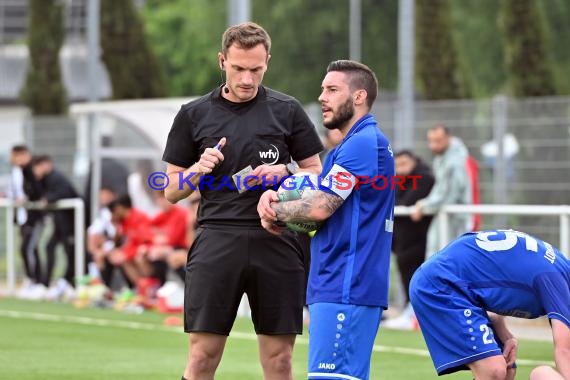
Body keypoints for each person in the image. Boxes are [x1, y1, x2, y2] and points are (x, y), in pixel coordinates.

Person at [161, 22, 323, 380]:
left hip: (279, 237)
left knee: (280, 359)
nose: (248, 79)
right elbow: (171, 190)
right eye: (238, 68)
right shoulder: (193, 113)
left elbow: (315, 172)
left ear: (267, 62)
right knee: (203, 356)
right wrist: (198, 170)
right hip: (217, 237)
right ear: (222, 61)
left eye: (256, 69)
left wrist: (285, 171)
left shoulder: (287, 109)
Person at [258, 60, 395, 380]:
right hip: (338, 282)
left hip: (347, 284)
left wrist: (272, 211)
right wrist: (289, 179)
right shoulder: (352, 146)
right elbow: (322, 203)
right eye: (322, 89)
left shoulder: (362, 143)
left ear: (359, 96)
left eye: (332, 90)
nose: (322, 97)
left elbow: (320, 208)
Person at [409, 229, 570, 379]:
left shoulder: (559, 267)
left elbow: (494, 275)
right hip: (440, 284)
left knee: (507, 369)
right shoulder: (557, 282)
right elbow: (564, 350)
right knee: (493, 370)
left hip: (456, 283)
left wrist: (504, 334)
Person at [384, 150, 435, 330]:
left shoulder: (424, 176)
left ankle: (414, 312)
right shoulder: (399, 178)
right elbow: (391, 199)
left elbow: (407, 201)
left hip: (419, 238)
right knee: (405, 270)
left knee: (415, 273)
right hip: (403, 238)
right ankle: (409, 309)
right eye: (397, 165)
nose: (400, 169)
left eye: (404, 163)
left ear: (414, 161)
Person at [411, 124, 471, 257]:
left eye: (438, 141)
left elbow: (448, 194)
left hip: (454, 218)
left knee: (445, 257)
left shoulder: (454, 162)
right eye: (431, 141)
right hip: (446, 215)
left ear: (448, 138)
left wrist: (424, 205)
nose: (433, 145)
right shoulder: (444, 157)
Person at [32, 155, 80, 299]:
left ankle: (70, 283)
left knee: (72, 253)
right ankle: (47, 283)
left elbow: (64, 192)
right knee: (49, 247)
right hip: (60, 224)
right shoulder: (44, 180)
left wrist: (49, 198)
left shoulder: (57, 177)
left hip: (70, 224)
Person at [10, 145, 45, 299]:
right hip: (23, 217)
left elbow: (37, 191)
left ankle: (37, 282)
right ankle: (31, 280)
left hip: (34, 216)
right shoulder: (16, 172)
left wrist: (29, 198)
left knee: (28, 248)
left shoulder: (32, 170)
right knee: (28, 249)